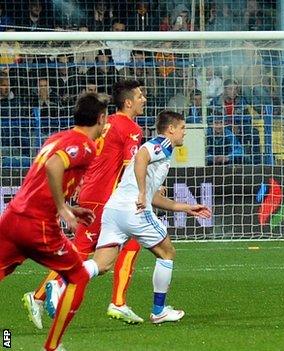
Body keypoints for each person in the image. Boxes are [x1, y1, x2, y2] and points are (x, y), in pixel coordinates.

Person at [23, 79, 147, 329]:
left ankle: (42, 297)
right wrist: (139, 193)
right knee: (96, 249)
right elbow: (129, 168)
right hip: (105, 198)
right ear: (128, 102)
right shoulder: (132, 129)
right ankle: (50, 292)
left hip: (90, 191)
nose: (144, 99)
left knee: (119, 243)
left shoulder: (104, 122)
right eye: (140, 95)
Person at [0, 92, 109, 351]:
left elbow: (42, 179)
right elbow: (52, 166)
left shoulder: (57, 137)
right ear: (101, 118)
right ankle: (52, 347)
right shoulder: (85, 145)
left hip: (12, 218)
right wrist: (62, 208)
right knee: (78, 276)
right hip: (37, 226)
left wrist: (71, 207)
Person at [80, 110, 211, 324]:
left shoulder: (162, 154)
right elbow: (142, 155)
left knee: (101, 264)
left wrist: (186, 207)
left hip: (114, 210)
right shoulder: (163, 145)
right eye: (182, 128)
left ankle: (60, 283)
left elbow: (155, 198)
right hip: (134, 210)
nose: (184, 133)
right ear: (171, 129)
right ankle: (159, 311)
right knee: (167, 252)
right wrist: (141, 192)